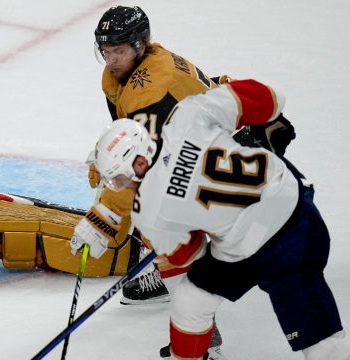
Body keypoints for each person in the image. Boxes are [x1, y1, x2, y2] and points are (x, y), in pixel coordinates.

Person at [72, 79, 350, 359]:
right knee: (321, 338)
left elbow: (190, 255)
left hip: (260, 251)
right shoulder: (186, 116)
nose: (121, 186)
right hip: (298, 212)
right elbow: (269, 98)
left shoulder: (149, 213)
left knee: (190, 303)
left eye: (119, 179)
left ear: (139, 163)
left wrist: (190, 218)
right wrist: (260, 126)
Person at [90, 5, 231, 306]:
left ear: (140, 45)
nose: (110, 60)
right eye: (105, 51)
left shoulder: (151, 88)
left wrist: (103, 218)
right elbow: (130, 133)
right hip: (199, 145)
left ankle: (190, 289)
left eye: (118, 51)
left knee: (157, 209)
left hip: (226, 155)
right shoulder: (125, 74)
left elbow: (147, 170)